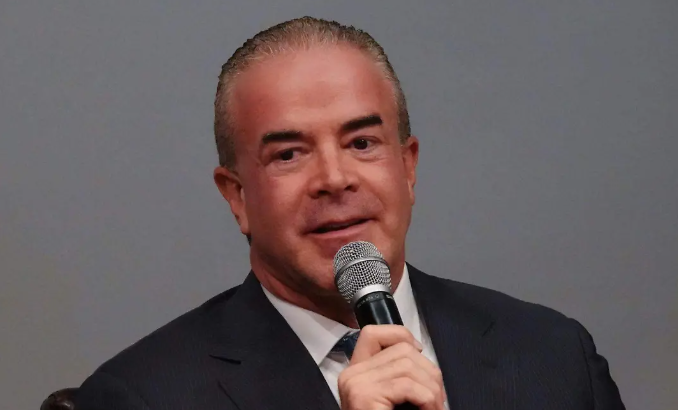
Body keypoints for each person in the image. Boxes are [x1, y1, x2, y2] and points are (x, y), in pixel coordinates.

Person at [74, 16, 625, 410]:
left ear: (407, 167)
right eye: (289, 155)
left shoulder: (553, 356)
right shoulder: (140, 396)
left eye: (362, 143)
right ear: (236, 196)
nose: (334, 179)